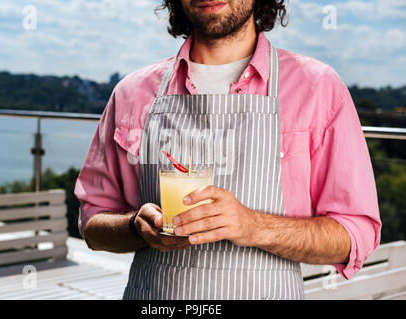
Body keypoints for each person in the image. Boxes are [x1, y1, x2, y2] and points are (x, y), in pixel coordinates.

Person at [74, 0, 381, 300]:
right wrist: (134, 228)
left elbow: (355, 235)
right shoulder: (131, 93)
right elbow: (93, 223)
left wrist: (254, 226)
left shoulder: (318, 88)